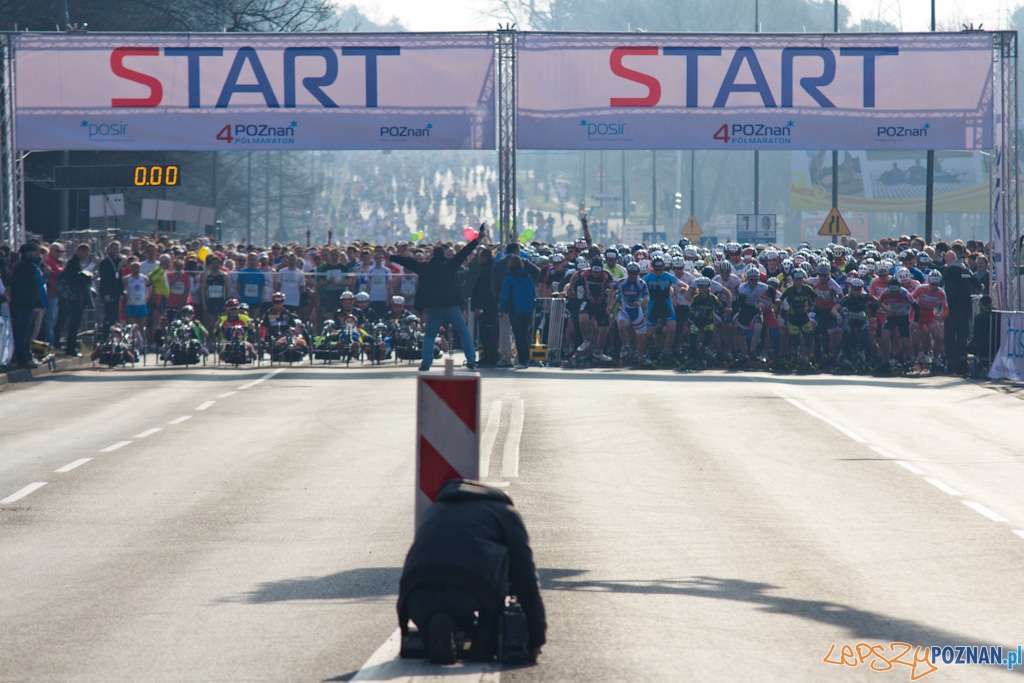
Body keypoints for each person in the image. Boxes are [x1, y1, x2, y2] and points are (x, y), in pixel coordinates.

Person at [398, 479, 546, 665]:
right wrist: (536, 637)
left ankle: (431, 634)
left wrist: (405, 623)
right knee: (503, 565)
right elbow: (525, 575)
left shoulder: (434, 509)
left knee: (449, 582)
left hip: (415, 599)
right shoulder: (505, 513)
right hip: (466, 596)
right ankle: (484, 638)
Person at [390, 226, 484, 371]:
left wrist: (392, 257)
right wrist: (477, 240)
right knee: (463, 331)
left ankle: (426, 363)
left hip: (433, 308)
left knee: (429, 336)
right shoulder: (451, 265)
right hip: (451, 306)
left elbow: (408, 263)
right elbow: (465, 251)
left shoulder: (426, 267)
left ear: (433, 255)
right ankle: (471, 359)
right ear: (444, 256)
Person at [498, 254, 537, 369]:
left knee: (518, 335)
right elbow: (532, 292)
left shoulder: (509, 278)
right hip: (527, 309)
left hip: (515, 309)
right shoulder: (528, 276)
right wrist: (532, 306)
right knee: (524, 335)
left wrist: (502, 309)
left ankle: (522, 361)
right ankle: (526, 359)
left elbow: (505, 295)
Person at [10, 243, 44, 368]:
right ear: (28, 252)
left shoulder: (29, 266)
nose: (37, 254)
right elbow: (25, 290)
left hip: (29, 305)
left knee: (28, 332)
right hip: (25, 305)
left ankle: (27, 356)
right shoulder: (22, 267)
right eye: (35, 252)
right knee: (22, 332)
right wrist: (33, 304)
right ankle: (22, 358)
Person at [60, 243, 93, 357]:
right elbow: (73, 278)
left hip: (79, 297)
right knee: (74, 323)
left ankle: (72, 346)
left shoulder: (77, 262)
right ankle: (71, 348)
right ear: (80, 251)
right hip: (76, 298)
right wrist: (86, 277)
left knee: (76, 323)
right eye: (84, 253)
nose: (85, 256)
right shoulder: (73, 263)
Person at [98, 241, 124, 341]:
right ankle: (105, 337)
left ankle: (114, 337)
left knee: (114, 316)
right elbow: (104, 279)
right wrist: (106, 294)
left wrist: (121, 292)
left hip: (116, 293)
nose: (115, 250)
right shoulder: (105, 263)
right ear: (108, 250)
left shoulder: (117, 262)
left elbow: (119, 278)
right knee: (108, 316)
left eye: (117, 249)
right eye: (113, 248)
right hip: (108, 293)